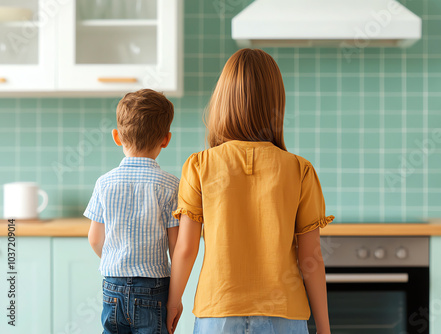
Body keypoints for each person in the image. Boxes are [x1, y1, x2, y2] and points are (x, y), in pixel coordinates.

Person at [166, 49, 334, 334]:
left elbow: (186, 248)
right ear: (275, 103)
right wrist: (324, 327)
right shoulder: (299, 170)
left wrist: (173, 301)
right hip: (285, 313)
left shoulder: (199, 165)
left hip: (217, 312)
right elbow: (311, 259)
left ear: (222, 101)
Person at [84, 89, 180, 334]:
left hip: (112, 286)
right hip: (154, 288)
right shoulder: (170, 185)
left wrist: (118, 261)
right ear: (166, 139)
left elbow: (95, 240)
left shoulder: (104, 183)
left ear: (117, 136)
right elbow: (176, 246)